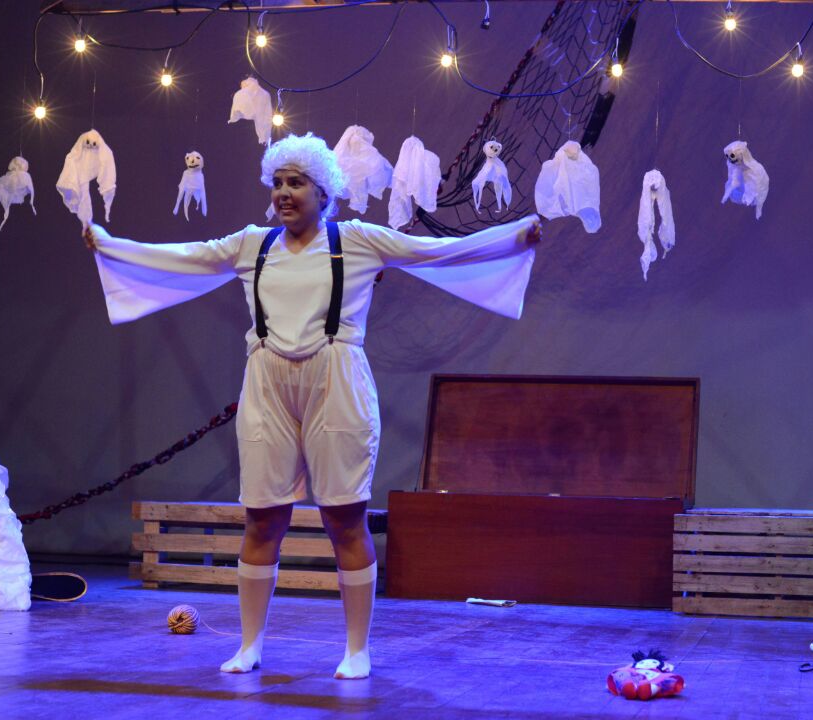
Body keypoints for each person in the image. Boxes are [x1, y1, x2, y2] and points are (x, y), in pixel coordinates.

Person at [83, 132, 541, 679]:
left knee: (345, 517)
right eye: (277, 182)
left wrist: (514, 238)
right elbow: (184, 259)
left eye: (296, 183)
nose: (283, 192)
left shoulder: (358, 240)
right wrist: (110, 245)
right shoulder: (252, 245)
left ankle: (357, 650)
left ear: (323, 193)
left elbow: (435, 253)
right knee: (262, 518)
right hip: (267, 382)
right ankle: (249, 646)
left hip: (336, 380)